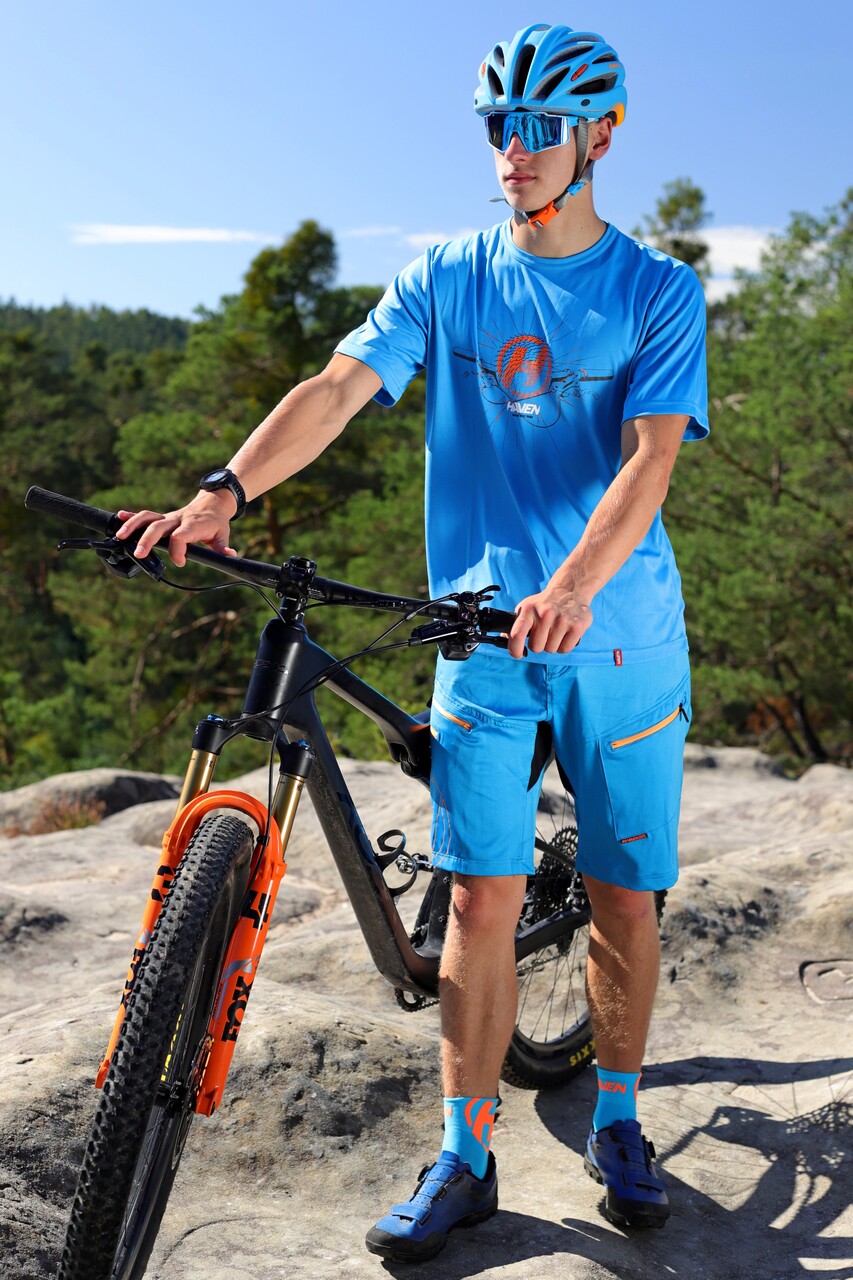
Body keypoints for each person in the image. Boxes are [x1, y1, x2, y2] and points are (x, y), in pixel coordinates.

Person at [118, 20, 708, 1264]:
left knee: (619, 891)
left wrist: (572, 584)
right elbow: (337, 389)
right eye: (499, 126)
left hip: (618, 637)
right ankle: (465, 1152)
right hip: (478, 637)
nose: (513, 150)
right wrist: (224, 489)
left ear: (600, 138)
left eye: (540, 128)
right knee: (481, 896)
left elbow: (648, 460)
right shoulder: (446, 275)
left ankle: (615, 1116)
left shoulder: (657, 290)